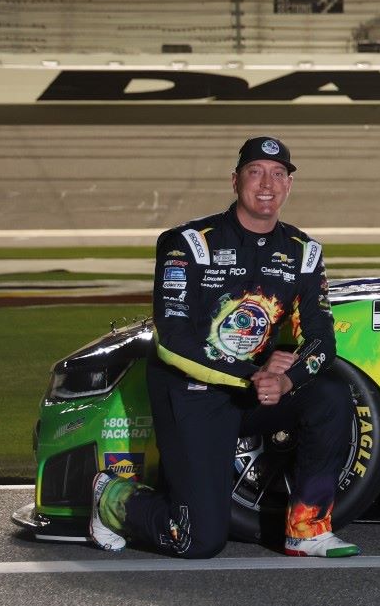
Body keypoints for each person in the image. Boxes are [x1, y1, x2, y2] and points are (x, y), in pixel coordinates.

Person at [88, 137, 357, 559]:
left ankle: (307, 529)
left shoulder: (304, 252)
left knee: (331, 394)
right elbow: (174, 342)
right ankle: (112, 497)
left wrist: (287, 379)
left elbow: (322, 340)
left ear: (288, 185)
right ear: (235, 181)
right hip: (192, 393)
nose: (267, 183)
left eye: (278, 174)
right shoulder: (188, 243)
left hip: (258, 390)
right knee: (197, 540)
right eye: (256, 172)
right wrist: (254, 375)